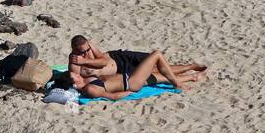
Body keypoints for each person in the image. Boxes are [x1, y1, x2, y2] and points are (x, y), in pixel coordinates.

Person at [66, 35, 206, 99]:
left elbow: (103, 61)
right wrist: (130, 93)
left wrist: (84, 60)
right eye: (82, 51)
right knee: (156, 63)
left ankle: (192, 72)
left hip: (119, 59)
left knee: (158, 71)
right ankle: (179, 82)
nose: (85, 53)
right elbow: (111, 95)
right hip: (128, 78)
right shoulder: (77, 69)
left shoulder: (88, 48)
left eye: (86, 49)